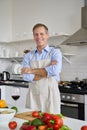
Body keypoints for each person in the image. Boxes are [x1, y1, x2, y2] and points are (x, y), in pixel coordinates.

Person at [21, 23, 62, 114]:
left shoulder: (55, 52)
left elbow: (55, 70)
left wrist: (31, 71)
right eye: (36, 34)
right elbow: (26, 77)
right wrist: (47, 70)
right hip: (33, 96)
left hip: (51, 95)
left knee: (52, 124)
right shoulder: (28, 56)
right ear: (33, 37)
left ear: (47, 35)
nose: (39, 37)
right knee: (32, 123)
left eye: (41, 34)